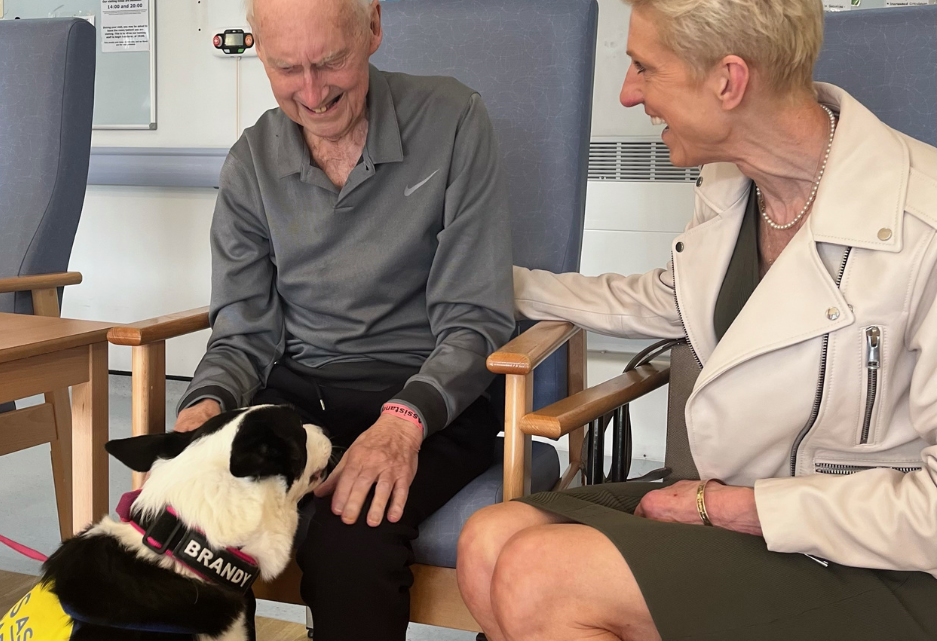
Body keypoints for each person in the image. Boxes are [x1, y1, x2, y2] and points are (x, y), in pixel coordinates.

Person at [455, 1, 937, 640]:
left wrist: (736, 508)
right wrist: (499, 284)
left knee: (541, 572)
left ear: (728, 81)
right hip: (740, 508)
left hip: (873, 556)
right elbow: (669, 300)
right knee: (489, 540)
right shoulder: (732, 184)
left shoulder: (920, 227)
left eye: (644, 67)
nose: (628, 93)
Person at [172, 0, 515, 638]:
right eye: (286, 68)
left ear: (374, 29)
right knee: (199, 515)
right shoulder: (251, 163)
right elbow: (244, 335)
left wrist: (404, 423)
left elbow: (475, 318)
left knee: (350, 535)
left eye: (331, 62)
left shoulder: (454, 121)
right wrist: (206, 407)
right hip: (305, 391)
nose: (312, 92)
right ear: (259, 54)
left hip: (433, 396)